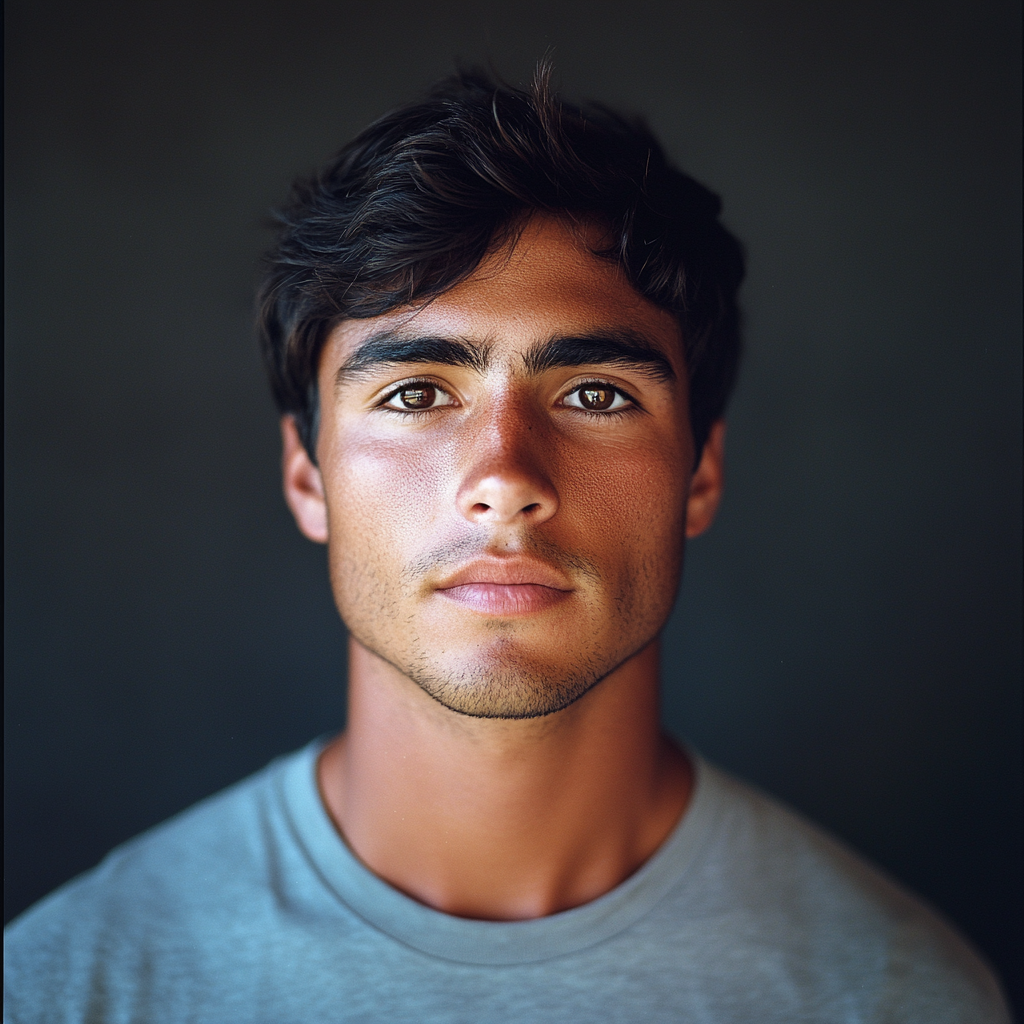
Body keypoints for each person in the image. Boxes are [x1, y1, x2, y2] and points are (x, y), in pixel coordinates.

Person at [3, 65, 1010, 1024]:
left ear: (699, 472)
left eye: (595, 394)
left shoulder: (895, 996)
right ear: (305, 475)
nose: (504, 480)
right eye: (414, 393)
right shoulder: (63, 988)